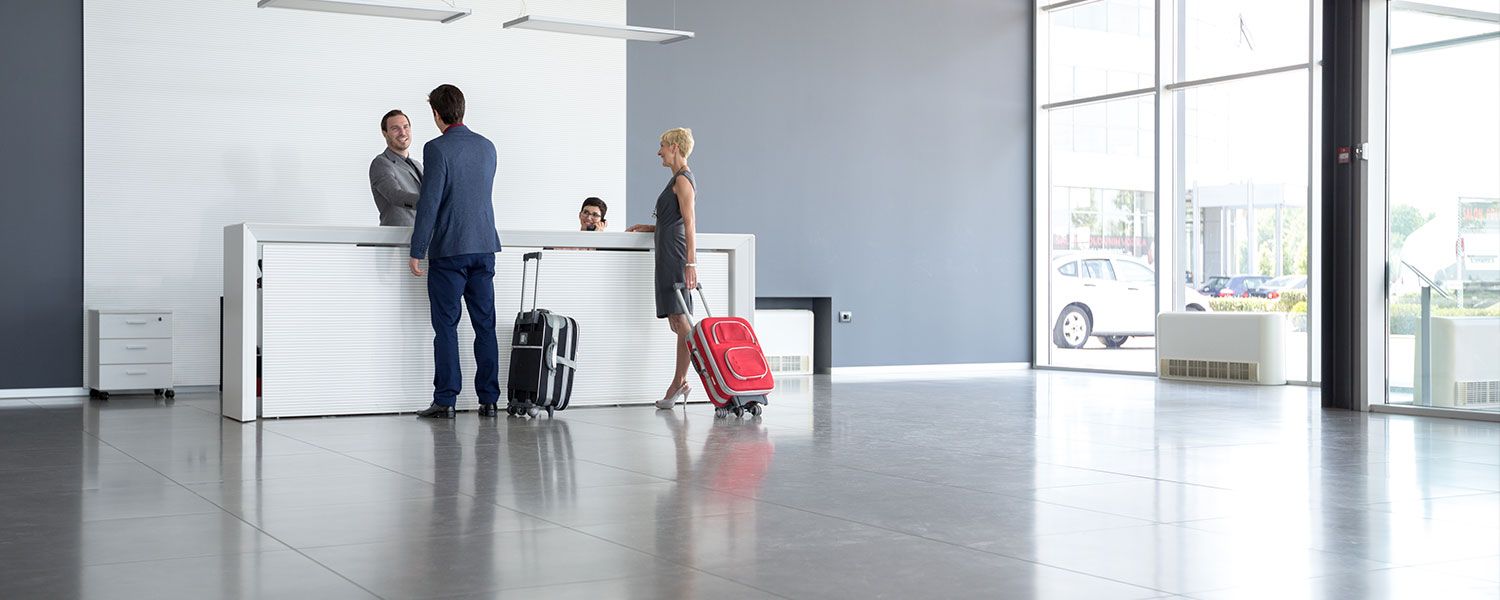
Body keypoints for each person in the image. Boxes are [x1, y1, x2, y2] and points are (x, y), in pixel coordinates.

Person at [408, 84, 503, 419]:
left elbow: (430, 203)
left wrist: (417, 248)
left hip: (450, 249)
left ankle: (446, 399)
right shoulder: (487, 147)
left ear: (436, 114)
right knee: (485, 325)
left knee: (446, 326)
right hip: (484, 247)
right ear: (462, 109)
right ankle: (489, 400)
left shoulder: (436, 148)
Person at [626, 128, 698, 410]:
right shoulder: (676, 180)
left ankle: (680, 381)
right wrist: (652, 228)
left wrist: (691, 263)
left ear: (675, 148)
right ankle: (680, 381)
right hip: (667, 254)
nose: (659, 152)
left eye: (662, 147)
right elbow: (675, 221)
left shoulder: (683, 180)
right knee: (675, 322)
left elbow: (690, 223)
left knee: (682, 323)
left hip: (676, 256)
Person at [369, 110, 423, 226]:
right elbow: (395, 195)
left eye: (406, 127)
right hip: (397, 239)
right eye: (395, 128)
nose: (402, 133)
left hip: (424, 238)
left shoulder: (418, 165)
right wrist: (430, 202)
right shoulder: (381, 163)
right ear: (385, 133)